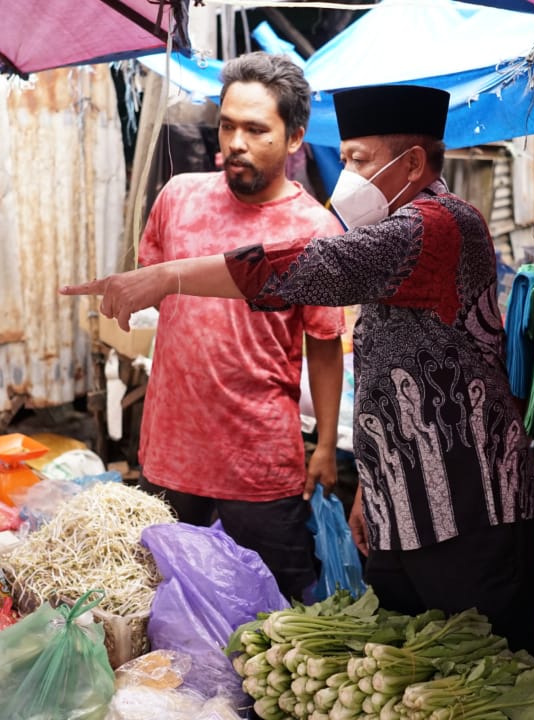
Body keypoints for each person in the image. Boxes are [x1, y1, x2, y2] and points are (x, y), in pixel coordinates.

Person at [63, 84, 534, 653]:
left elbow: (315, 265)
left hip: (467, 508)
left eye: (360, 162)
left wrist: (167, 275)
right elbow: (398, 387)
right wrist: (373, 484)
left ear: (412, 162)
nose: (348, 178)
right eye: (344, 162)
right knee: (405, 667)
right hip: (403, 502)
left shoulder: (440, 226)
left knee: (485, 668)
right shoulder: (389, 232)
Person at [127, 52, 345, 603]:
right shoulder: (177, 199)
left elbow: (324, 345)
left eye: (255, 129)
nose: (235, 143)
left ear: (295, 139)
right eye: (227, 126)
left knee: (282, 604)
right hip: (171, 453)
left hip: (258, 460)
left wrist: (322, 444)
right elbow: (150, 280)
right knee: (161, 599)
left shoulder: (315, 230)